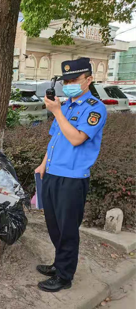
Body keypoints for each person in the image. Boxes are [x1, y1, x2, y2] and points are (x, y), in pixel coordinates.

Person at [34, 57, 107, 292]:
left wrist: (56, 112)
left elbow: (76, 138)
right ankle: (59, 264)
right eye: (66, 80)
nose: (69, 84)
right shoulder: (65, 107)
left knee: (67, 229)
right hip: (53, 173)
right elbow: (55, 139)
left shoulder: (95, 109)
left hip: (73, 178)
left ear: (88, 80)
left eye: (74, 79)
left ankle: (65, 277)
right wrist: (43, 164)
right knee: (54, 225)